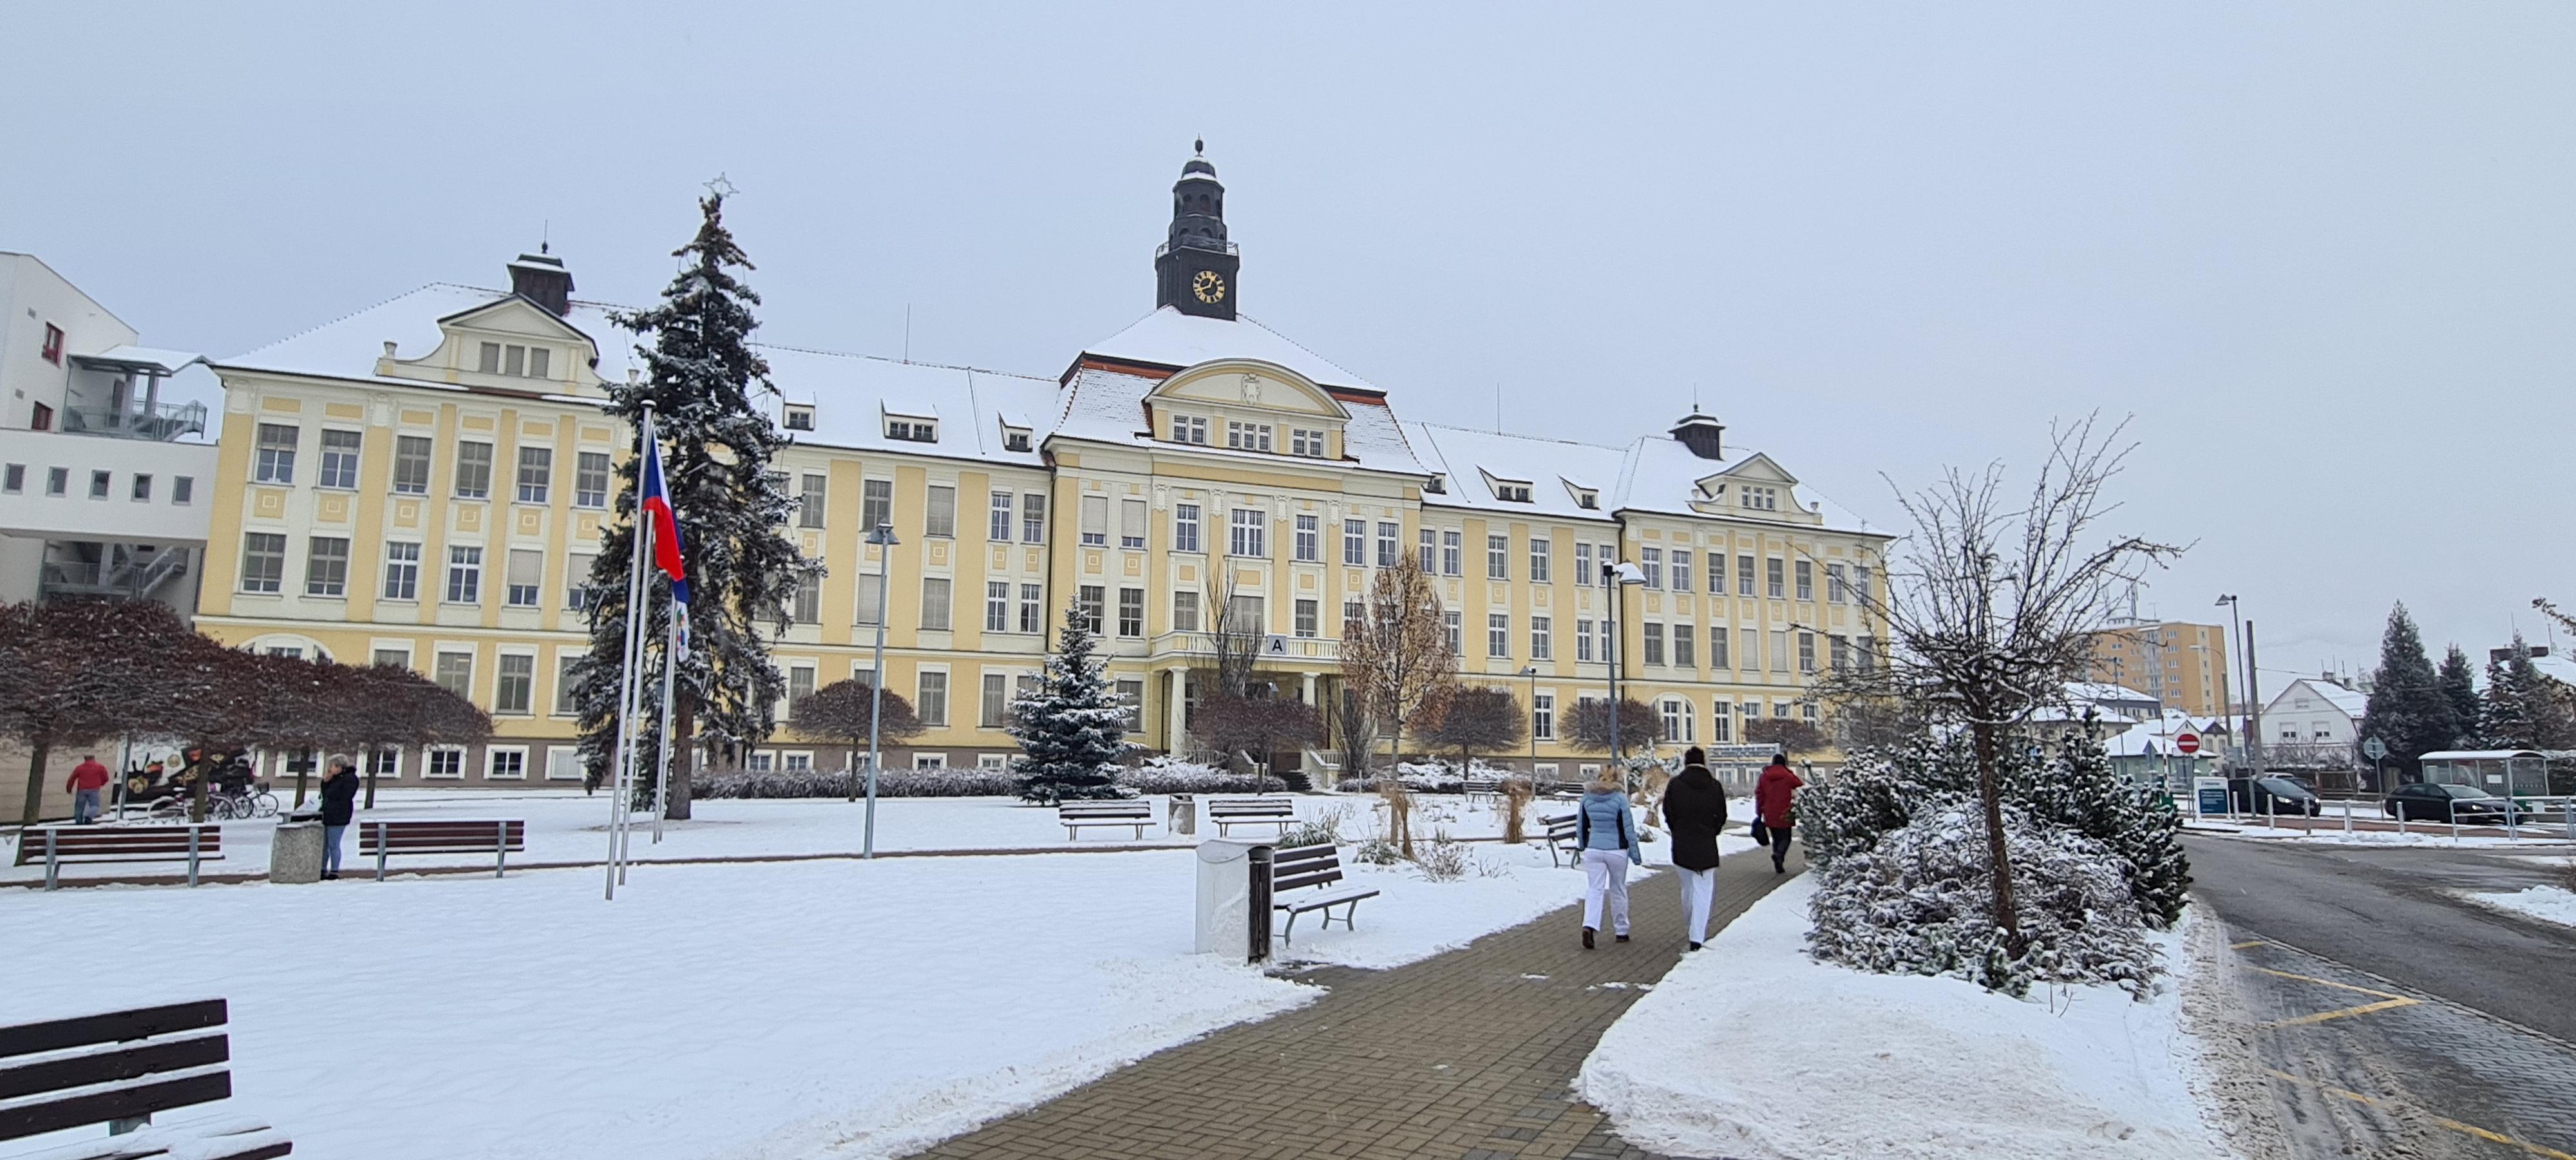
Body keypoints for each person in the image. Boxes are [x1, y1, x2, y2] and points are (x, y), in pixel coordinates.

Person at [1662, 746, 1727, 951]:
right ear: (1704, 762)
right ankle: (1697, 936)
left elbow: (1668, 812)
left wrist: (1677, 830)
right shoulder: (1715, 786)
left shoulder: (1675, 785)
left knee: (1687, 888)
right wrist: (1712, 831)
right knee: (1704, 890)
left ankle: (1690, 924)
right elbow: (1722, 815)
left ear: (1685, 762)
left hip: (1682, 843)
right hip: (1707, 843)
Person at [1575, 766, 1644, 949]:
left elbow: (1581, 824)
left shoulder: (1587, 798)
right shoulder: (1620, 799)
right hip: (1617, 850)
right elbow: (1628, 829)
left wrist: (1582, 845)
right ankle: (1621, 931)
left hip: (1594, 849)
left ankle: (1589, 925)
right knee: (1618, 889)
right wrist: (1635, 855)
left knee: (1595, 889)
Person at [1753, 752, 1804, 874]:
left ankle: (1778, 861)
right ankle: (1779, 855)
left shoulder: (1764, 777)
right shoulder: (1788, 776)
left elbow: (1759, 795)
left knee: (1776, 838)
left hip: (1769, 812)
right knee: (1786, 837)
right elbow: (1800, 784)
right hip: (1786, 811)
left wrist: (1759, 812)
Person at [318, 754, 361, 880]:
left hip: (339, 815)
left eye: (332, 766)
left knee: (334, 844)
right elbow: (325, 794)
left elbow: (344, 796)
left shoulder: (349, 779)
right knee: (324, 845)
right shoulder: (335, 778)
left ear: (339, 766)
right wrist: (326, 782)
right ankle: (322, 868)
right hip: (328, 814)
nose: (330, 769)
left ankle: (334, 870)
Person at [66, 755, 111, 824]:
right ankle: (89, 817)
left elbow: (72, 778)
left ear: (85, 759)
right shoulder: (100, 767)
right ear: (94, 759)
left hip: (82, 790)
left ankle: (78, 821)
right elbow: (106, 778)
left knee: (79, 807)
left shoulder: (80, 768)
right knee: (95, 806)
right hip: (94, 790)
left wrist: (69, 788)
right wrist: (100, 784)